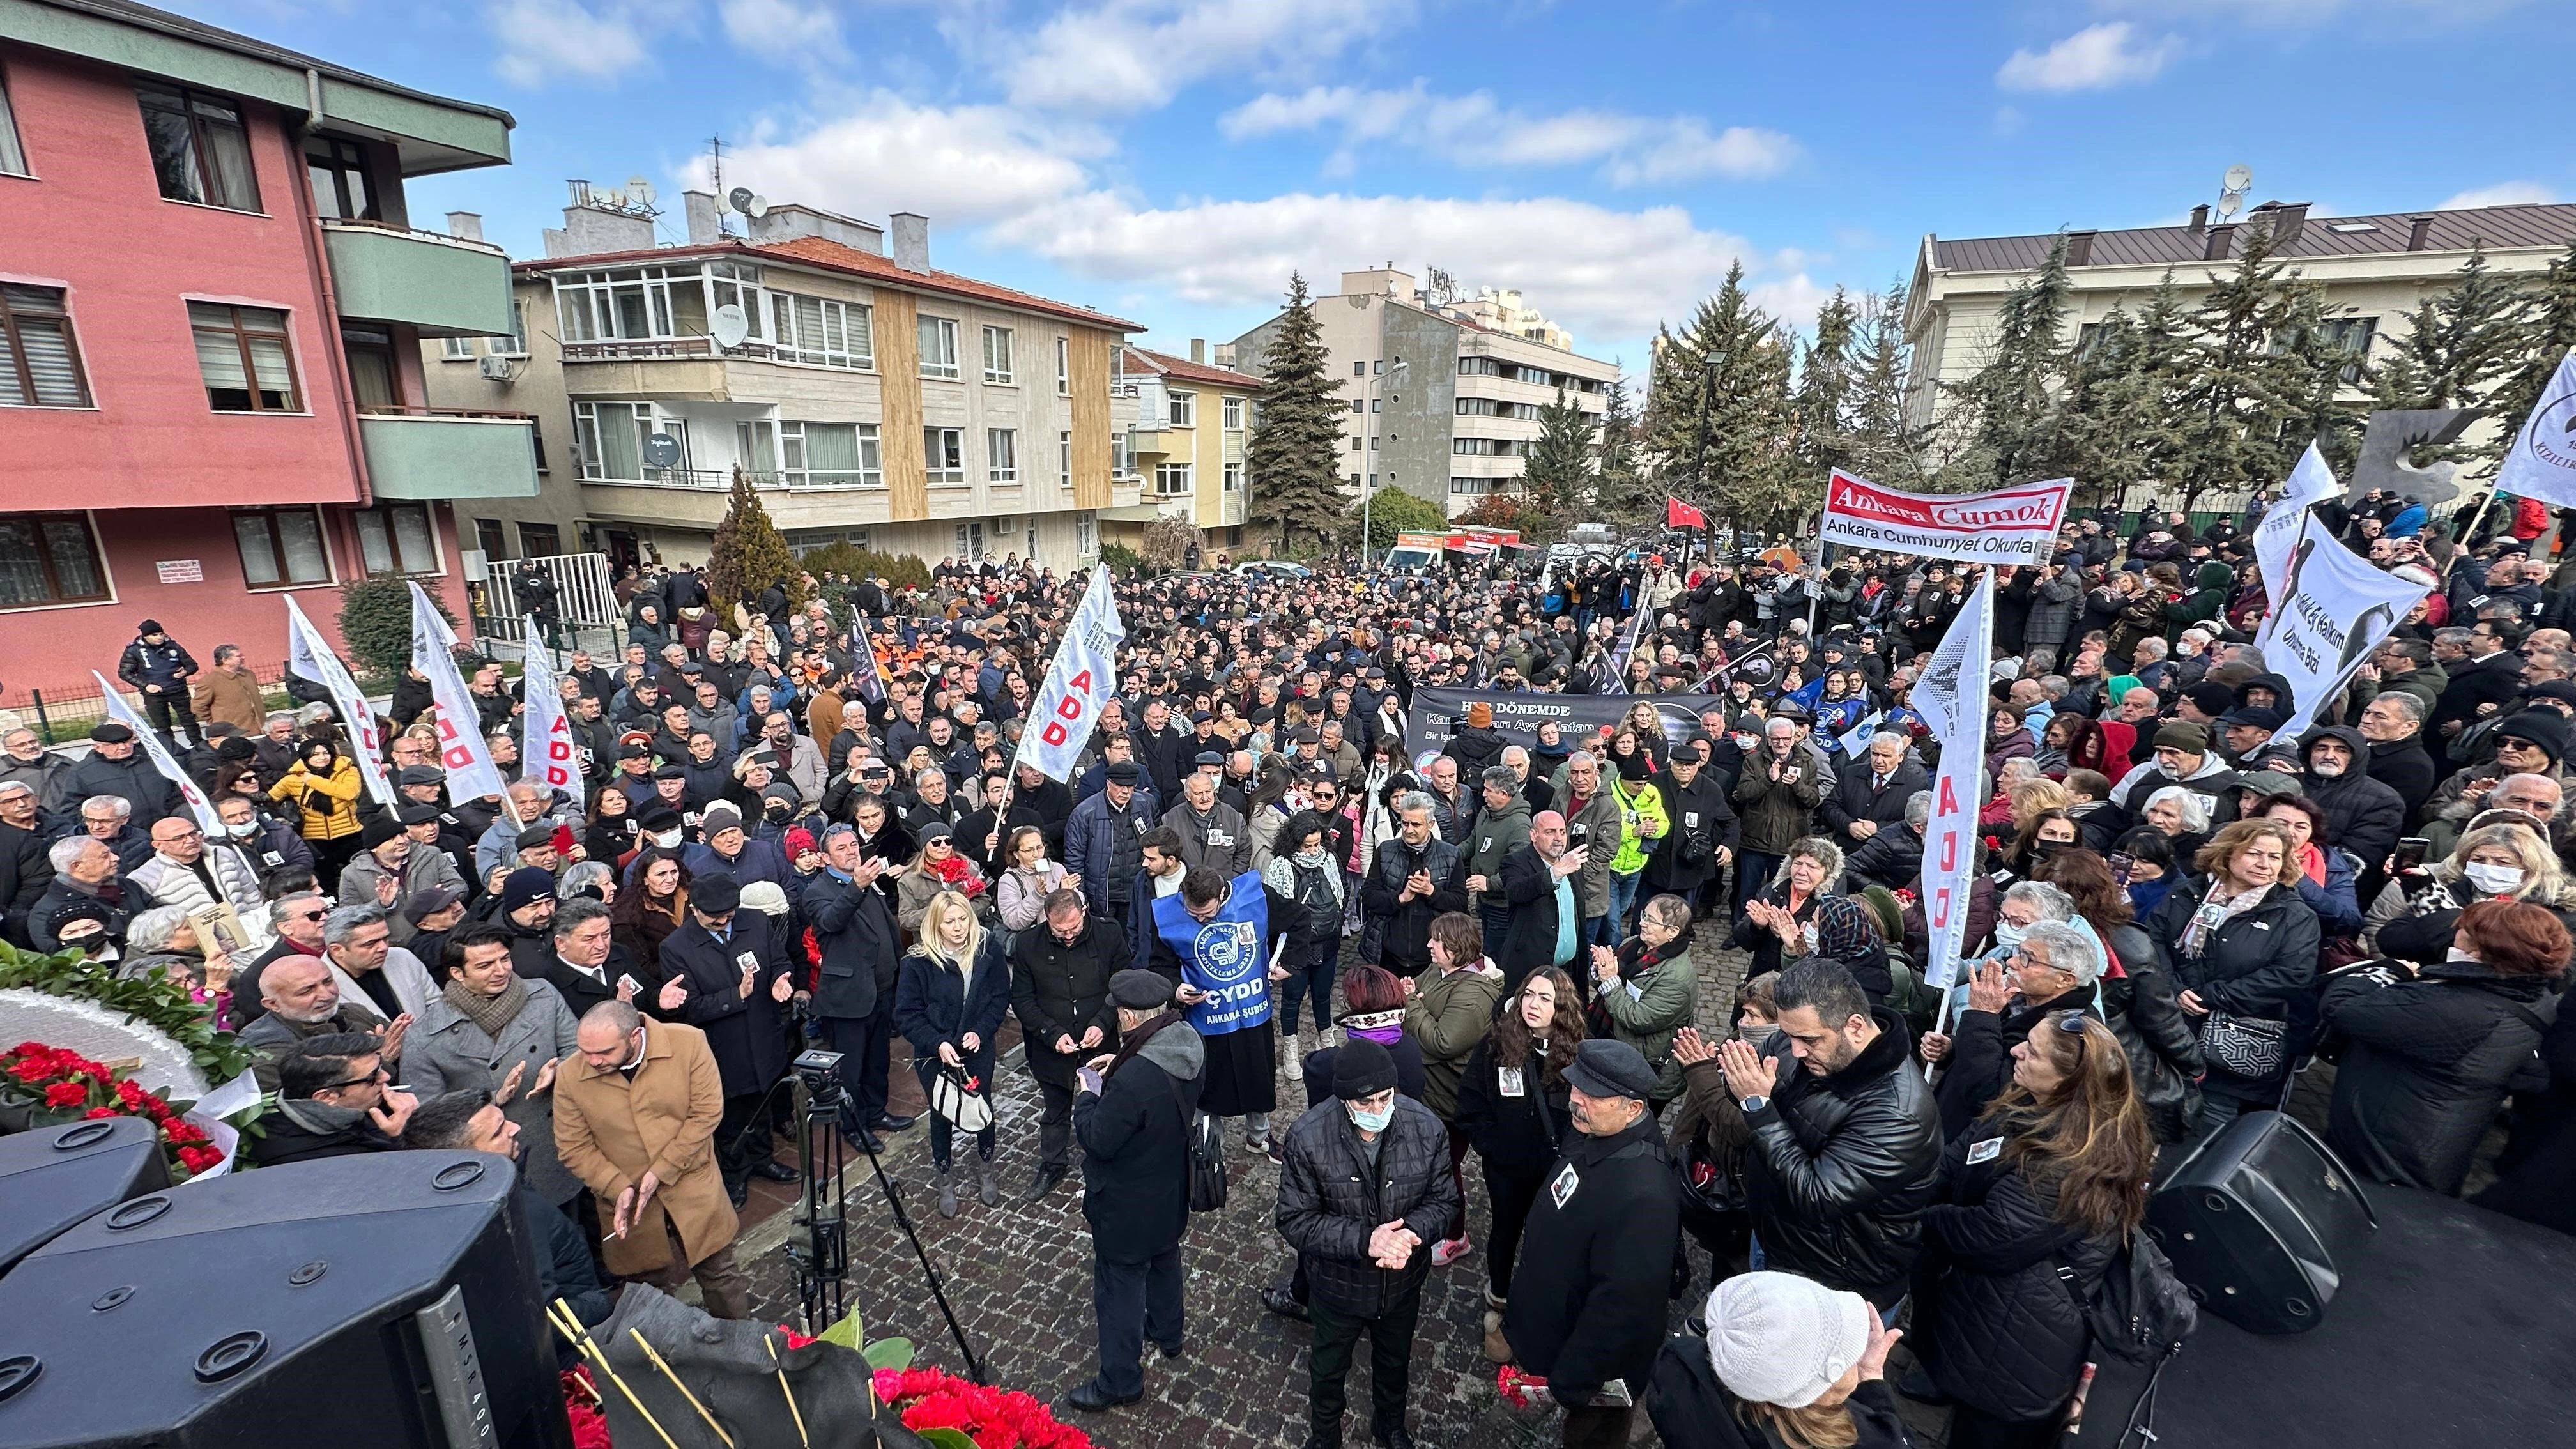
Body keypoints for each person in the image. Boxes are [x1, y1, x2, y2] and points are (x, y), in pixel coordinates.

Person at [1716, 956, 1943, 1316]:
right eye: (1788, 1035)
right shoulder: (1805, 1041)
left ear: (1855, 1027)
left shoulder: (1900, 1114)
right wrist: (1736, 1077)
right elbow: (1750, 1076)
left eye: (1808, 1040)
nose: (1795, 1051)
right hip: (1779, 1242)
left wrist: (1758, 1106)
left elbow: (1817, 1196)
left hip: (1832, 1286)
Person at [1275, 1036, 1459, 1449]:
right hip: (1337, 1289)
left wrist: (1412, 1233)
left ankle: (1390, 1427)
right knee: (1327, 1371)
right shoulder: (1307, 1138)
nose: (1378, 1110)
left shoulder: (1426, 1128)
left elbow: (1445, 1201)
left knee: (1395, 1364)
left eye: (1385, 1098)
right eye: (1366, 1103)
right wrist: (1365, 1241)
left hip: (1401, 1286)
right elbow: (1294, 1219)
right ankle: (1325, 1437)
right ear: (1343, 1100)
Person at [1501, 1039, 1682, 1449]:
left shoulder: (1645, 1196)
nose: (1575, 1102)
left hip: (1592, 1368)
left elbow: (1622, 1310)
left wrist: (1570, 1381)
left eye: (1593, 1095)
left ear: (1634, 1108)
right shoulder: (1594, 1129)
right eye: (1576, 1088)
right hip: (1556, 1325)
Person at [2324, 898, 2570, 1194]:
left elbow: (2341, 1008)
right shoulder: (2532, 994)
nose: (2454, 933)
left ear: (2479, 949)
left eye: (2462, 930)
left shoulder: (2456, 1008)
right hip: (2439, 1144)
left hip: (2387, 1153)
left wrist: (2388, 971)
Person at [554, 999, 752, 1319]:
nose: (591, 1062)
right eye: (584, 1051)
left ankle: (742, 1342)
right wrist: (618, 1186)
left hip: (692, 1185)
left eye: (604, 1052)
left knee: (720, 1274)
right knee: (648, 1290)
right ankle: (665, 1356)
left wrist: (662, 1170)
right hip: (627, 1204)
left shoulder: (688, 1042)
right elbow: (573, 1146)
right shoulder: (569, 1075)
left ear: (634, 1037)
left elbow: (706, 1113)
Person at [1062, 969, 1204, 1413]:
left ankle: (1121, 1380)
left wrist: (1086, 1094)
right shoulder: (1187, 1043)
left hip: (1126, 1203)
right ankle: (1168, 1333)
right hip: (1169, 1187)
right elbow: (1151, 1077)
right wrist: (1120, 1061)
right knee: (1165, 1257)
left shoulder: (1133, 1083)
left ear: (1125, 1014)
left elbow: (1099, 1138)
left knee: (1119, 1288)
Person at [2147, 818, 2322, 1138]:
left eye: (2275, 857)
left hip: (2234, 1041)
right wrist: (2174, 987)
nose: (2264, 864)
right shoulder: (2188, 891)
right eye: (2254, 854)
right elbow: (2156, 940)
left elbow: (2291, 974)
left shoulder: (2294, 915)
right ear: (2228, 853)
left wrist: (2211, 996)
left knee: (2210, 1125)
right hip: (2169, 1027)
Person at [399, 924, 585, 1212]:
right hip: (486, 1165)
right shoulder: (425, 1036)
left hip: (556, 1144)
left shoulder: (543, 995)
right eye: (485, 965)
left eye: (505, 959)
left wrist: (560, 1069)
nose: (501, 971)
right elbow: (427, 1119)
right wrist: (493, 1099)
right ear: (457, 973)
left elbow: (577, 1049)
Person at [400, 1089, 612, 1338]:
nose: (515, 1127)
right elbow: (541, 1319)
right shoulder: (514, 1215)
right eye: (498, 1131)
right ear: (463, 1160)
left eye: (504, 1120)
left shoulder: (443, 1209)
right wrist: (608, 1303)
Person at [1455, 965, 1583, 1361]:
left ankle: (1540, 1302)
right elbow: (1471, 1100)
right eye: (1529, 995)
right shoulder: (1498, 1042)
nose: (1533, 1005)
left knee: (1549, 1237)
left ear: (1561, 1006)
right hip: (1507, 1169)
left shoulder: (1579, 1048)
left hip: (1555, 1170)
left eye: (1545, 999)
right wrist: (1492, 1145)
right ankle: (1499, 1297)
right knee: (1505, 1230)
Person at [652, 871, 798, 1205]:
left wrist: (779, 979)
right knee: (730, 1117)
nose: (723, 920)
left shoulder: (756, 923)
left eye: (728, 914)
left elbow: (779, 960)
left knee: (762, 1106)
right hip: (723, 1047)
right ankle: (736, 1174)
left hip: (764, 1035)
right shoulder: (675, 948)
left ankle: (764, 1160)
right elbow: (688, 1007)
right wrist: (737, 995)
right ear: (695, 910)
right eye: (714, 916)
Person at [1646, 1271, 1912, 1449]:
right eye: (1848, 1358)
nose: (1858, 1358)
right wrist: (1873, 1384)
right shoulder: (1862, 1439)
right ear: (1813, 1394)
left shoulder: (1679, 1372)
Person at [1147, 864, 1294, 1156]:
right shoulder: (1168, 915)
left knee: (1258, 1079)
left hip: (1252, 1015)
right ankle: (1209, 1149)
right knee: (1206, 1087)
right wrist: (1175, 989)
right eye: (1194, 914)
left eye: (1207, 914)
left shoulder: (1256, 897)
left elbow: (1299, 920)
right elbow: (1158, 964)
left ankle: (1259, 1137)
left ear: (1222, 895)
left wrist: (1288, 964)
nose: (1200, 920)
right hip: (1205, 1021)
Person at [1920, 920, 2106, 1137]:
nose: (2012, 962)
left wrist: (1983, 1014)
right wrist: (1953, 1049)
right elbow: (1995, 1049)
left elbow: (1988, 1094)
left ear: (2064, 979)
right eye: (2019, 952)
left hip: (1976, 1138)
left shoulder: (2069, 1032)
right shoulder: (2025, 998)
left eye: (2028, 958)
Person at [896, 888, 1012, 1216]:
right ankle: (945, 1177)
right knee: (942, 1111)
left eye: (963, 919)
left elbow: (999, 998)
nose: (959, 927)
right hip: (935, 1052)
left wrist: (981, 1031)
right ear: (936, 925)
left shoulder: (988, 950)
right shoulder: (917, 962)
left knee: (982, 1104)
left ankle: (986, 1169)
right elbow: (907, 1014)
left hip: (977, 1047)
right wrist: (938, 1043)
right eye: (950, 922)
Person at [1011, 888, 1130, 1200]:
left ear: (1085, 910)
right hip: (1052, 1047)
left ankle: (1112, 1159)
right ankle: (1053, 1163)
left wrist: (1103, 1023)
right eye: (1059, 930)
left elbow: (1122, 983)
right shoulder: (1027, 945)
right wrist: (1050, 1034)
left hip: (1099, 1042)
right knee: (1055, 1109)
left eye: (1074, 928)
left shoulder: (1108, 933)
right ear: (1046, 919)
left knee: (1109, 1105)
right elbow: (1022, 1000)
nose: (1067, 936)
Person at [1402, 912, 1503, 1266]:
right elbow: (1415, 990)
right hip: (1432, 1089)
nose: (1429, 945)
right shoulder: (1444, 970)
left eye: (1437, 941)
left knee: (1447, 1169)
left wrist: (1413, 1004)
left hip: (1451, 1100)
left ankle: (1456, 1236)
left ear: (1457, 948)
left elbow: (1443, 1042)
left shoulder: (1474, 995)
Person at [804, 824, 912, 1153]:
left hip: (881, 989)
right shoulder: (818, 891)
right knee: (850, 1068)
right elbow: (830, 922)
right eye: (842, 848)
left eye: (854, 844)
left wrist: (900, 964)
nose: (852, 851)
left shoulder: (867, 882)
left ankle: (877, 1112)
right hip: (847, 997)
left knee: (878, 1058)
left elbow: (885, 929)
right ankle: (854, 1126)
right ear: (824, 858)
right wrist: (856, 887)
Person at [252, 1030, 415, 1166]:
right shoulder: (314, 1159)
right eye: (373, 1076)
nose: (386, 1077)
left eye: (380, 1066)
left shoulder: (355, 1104)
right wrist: (405, 1135)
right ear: (328, 1096)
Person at [1264, 808, 1347, 1068]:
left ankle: (1326, 1037)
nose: (1313, 850)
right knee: (1292, 998)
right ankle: (1290, 1047)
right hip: (1295, 946)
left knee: (1323, 995)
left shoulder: (1331, 860)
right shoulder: (1281, 865)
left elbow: (1341, 896)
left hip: (1327, 941)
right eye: (1307, 846)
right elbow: (1276, 911)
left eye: (1317, 844)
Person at [1358, 791, 1466, 978]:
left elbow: (1460, 905)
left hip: (1431, 957)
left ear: (1431, 825)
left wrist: (1431, 892)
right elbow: (1368, 896)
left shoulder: (1450, 854)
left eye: (1416, 824)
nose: (1408, 830)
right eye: (1405, 823)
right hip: (1389, 954)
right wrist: (1400, 898)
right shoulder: (1385, 851)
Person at [270, 737, 367, 882]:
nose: (322, 758)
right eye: (315, 754)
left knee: (358, 875)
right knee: (324, 877)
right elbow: (271, 799)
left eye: (326, 753)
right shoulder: (293, 778)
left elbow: (349, 793)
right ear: (305, 756)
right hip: (314, 837)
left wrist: (314, 781)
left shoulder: (348, 770)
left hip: (350, 833)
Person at [116, 618, 201, 747]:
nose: (159, 637)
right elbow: (124, 673)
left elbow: (192, 665)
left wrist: (185, 672)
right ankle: (170, 750)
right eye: (154, 635)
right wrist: (146, 686)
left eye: (161, 634)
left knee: (189, 721)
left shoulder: (173, 646)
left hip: (178, 690)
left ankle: (198, 746)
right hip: (154, 695)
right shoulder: (134, 651)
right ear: (146, 636)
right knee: (162, 726)